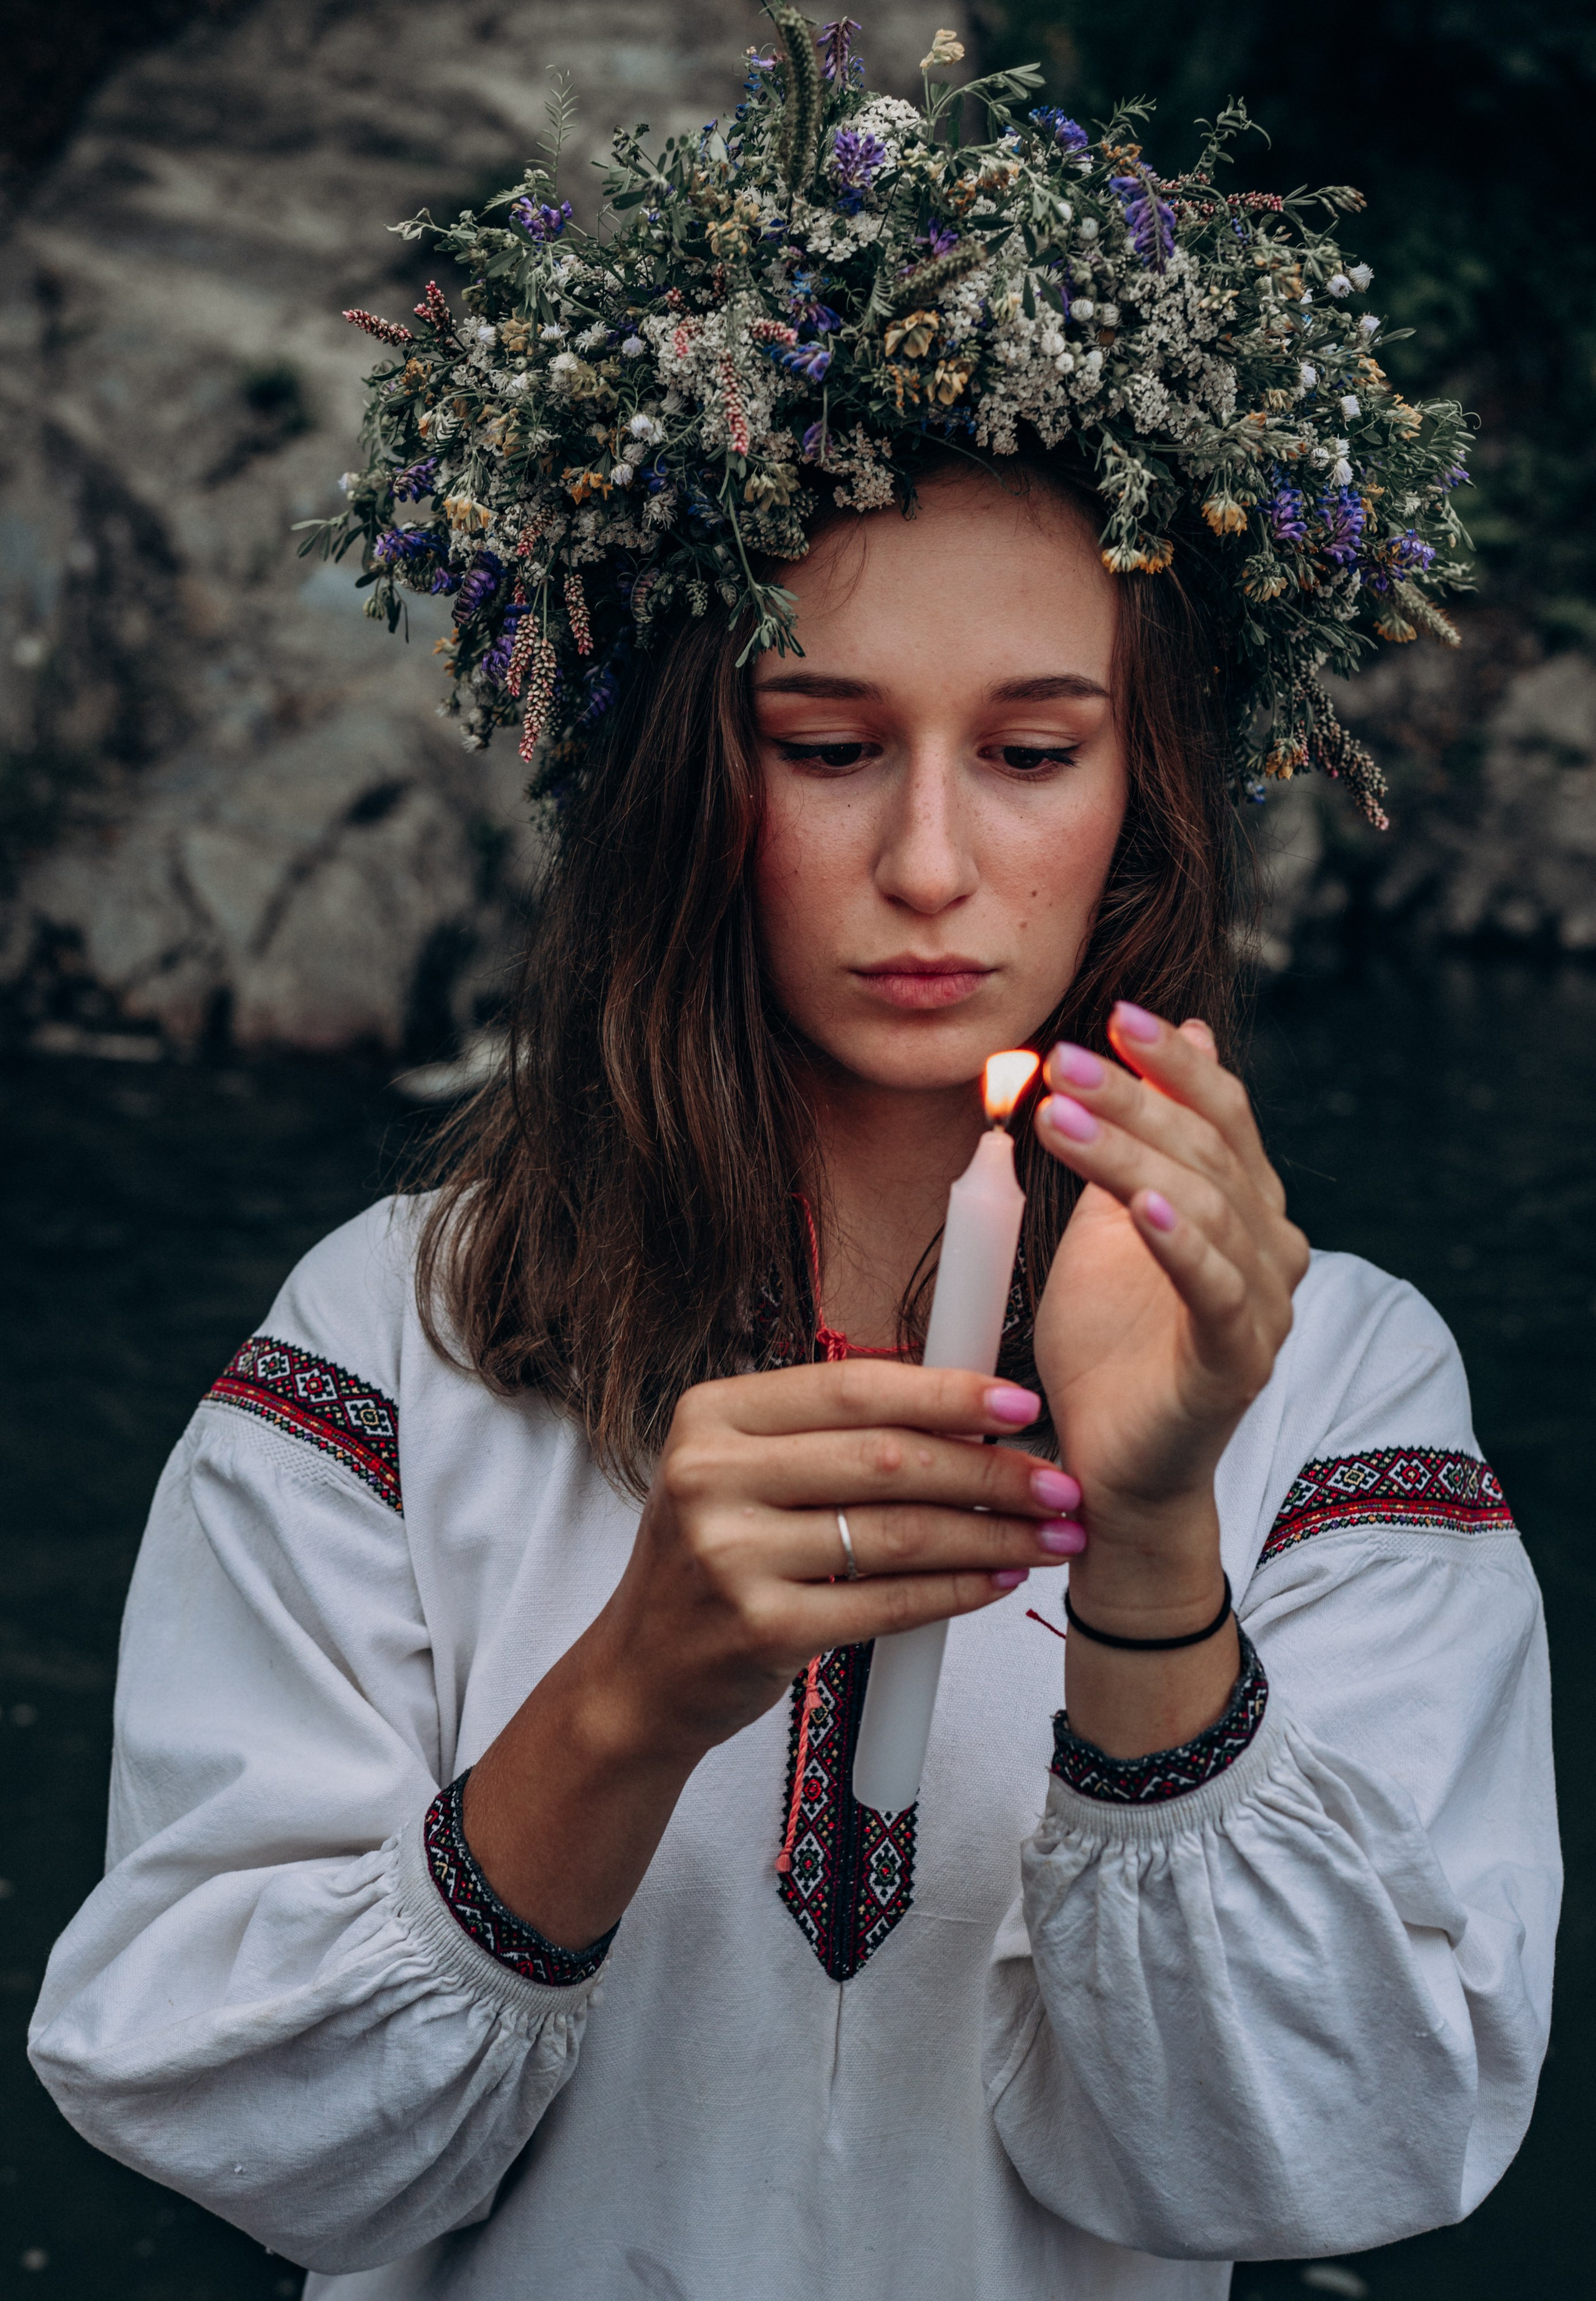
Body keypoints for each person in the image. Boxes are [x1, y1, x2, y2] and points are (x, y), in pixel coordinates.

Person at [31, 20, 1557, 2299]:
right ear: (674, 781)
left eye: (1033, 750)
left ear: (1143, 786)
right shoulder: (400, 1328)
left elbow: (1331, 2152)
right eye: (824, 744)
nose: (931, 861)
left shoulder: (1336, 1383)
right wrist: (633, 1685)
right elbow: (238, 2124)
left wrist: (1152, 1544)